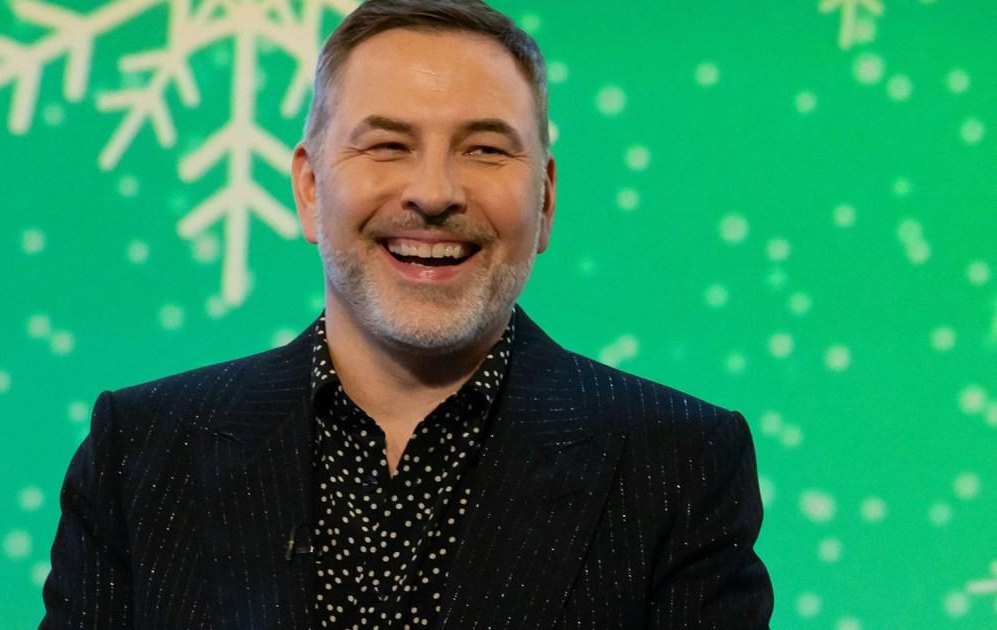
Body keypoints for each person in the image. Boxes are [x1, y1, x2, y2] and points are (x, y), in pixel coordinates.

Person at [40, 0, 773, 627]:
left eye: (485, 149)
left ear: (546, 200)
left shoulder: (679, 464)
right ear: (310, 189)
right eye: (388, 145)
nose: (434, 192)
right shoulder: (140, 453)